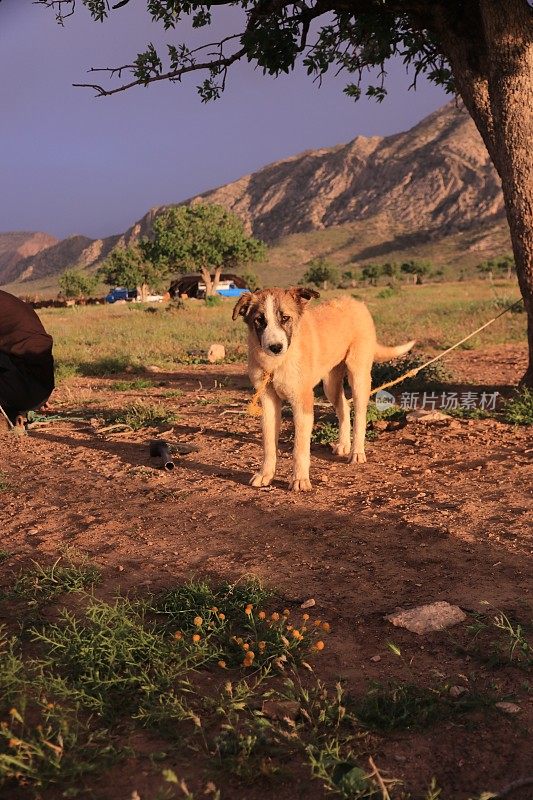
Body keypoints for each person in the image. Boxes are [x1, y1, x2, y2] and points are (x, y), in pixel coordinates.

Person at [0, 290, 55, 430]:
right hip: (39, 388)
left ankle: (11, 408)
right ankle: (12, 410)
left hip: (25, 390)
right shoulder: (7, 300)